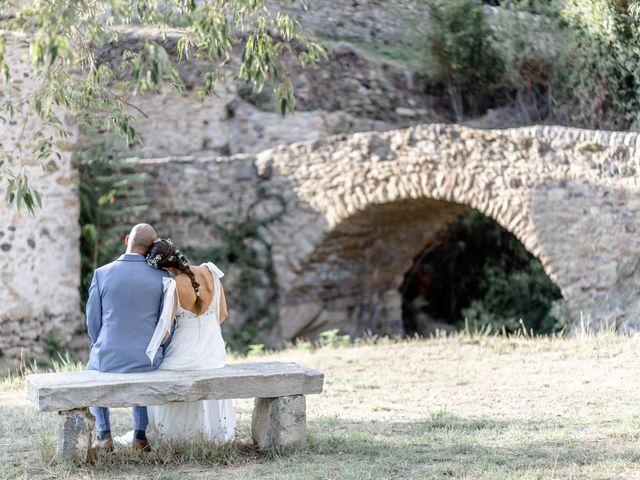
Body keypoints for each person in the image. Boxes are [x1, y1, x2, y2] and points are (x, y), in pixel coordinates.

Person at [86, 223, 170, 452]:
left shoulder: (101, 273)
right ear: (152, 248)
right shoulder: (163, 277)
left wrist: (99, 345)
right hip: (147, 359)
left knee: (92, 369)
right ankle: (140, 436)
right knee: (143, 371)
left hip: (108, 357)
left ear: (127, 240)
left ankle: (104, 435)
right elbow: (166, 323)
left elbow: (93, 322)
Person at [143, 238, 235, 443]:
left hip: (184, 355)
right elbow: (224, 313)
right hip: (214, 354)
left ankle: (175, 437)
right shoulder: (211, 271)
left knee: (157, 372)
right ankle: (213, 433)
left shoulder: (173, 285)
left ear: (165, 267)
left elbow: (165, 332)